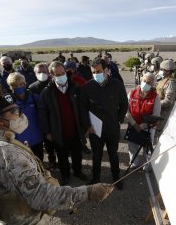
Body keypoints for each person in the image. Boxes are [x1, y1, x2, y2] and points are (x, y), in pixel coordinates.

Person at [0, 94, 113, 225]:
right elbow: (41, 196)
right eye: (14, 111)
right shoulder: (7, 153)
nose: (20, 114)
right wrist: (89, 192)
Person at [80, 58, 128, 188]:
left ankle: (116, 177)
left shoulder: (117, 85)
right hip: (95, 129)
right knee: (97, 155)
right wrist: (88, 126)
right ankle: (95, 178)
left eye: (98, 71)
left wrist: (119, 119)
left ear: (106, 70)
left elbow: (124, 104)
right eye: (93, 72)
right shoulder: (88, 87)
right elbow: (83, 108)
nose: (96, 74)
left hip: (112, 127)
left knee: (113, 153)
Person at [39, 61, 88, 185]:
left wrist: (85, 126)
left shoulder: (75, 88)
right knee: (62, 156)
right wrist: (47, 132)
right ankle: (65, 176)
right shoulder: (47, 92)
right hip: (58, 131)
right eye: (57, 74)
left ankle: (78, 172)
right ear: (51, 75)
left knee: (77, 154)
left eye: (63, 73)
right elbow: (43, 114)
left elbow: (82, 109)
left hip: (75, 130)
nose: (61, 76)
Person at [126, 73, 161, 170]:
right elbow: (127, 110)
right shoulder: (132, 93)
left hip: (148, 127)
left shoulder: (155, 97)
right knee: (132, 146)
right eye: (144, 81)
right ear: (141, 80)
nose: (146, 83)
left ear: (153, 84)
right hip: (133, 124)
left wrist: (142, 126)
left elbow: (156, 115)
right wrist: (134, 124)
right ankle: (134, 163)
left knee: (147, 149)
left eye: (149, 82)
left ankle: (147, 165)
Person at [6, 73, 44, 161]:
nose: (19, 87)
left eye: (21, 84)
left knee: (39, 161)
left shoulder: (35, 98)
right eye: (15, 85)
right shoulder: (8, 103)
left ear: (25, 83)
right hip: (19, 140)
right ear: (11, 87)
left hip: (37, 137)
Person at [28, 63, 57, 170]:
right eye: (39, 72)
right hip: (39, 121)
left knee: (56, 143)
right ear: (35, 74)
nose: (42, 74)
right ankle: (50, 161)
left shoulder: (55, 84)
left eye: (44, 72)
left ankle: (58, 160)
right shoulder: (32, 88)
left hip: (55, 119)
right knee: (44, 144)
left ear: (49, 72)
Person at [156, 59, 176, 130]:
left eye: (162, 69)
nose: (160, 71)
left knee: (158, 133)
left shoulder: (171, 83)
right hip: (158, 111)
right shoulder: (164, 79)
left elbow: (168, 101)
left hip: (164, 114)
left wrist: (155, 104)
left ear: (168, 71)